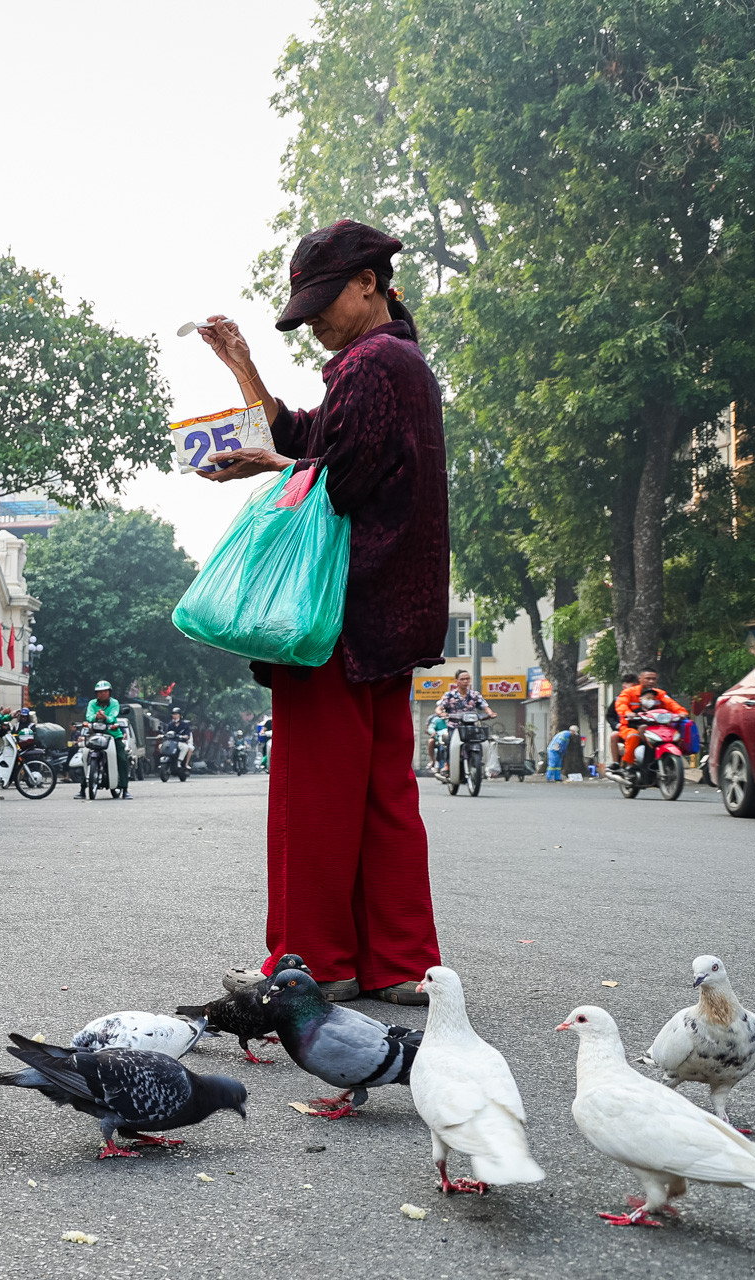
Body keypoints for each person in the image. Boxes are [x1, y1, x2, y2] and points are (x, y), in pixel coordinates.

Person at [195, 219, 446, 1007]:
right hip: (389, 613)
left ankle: (315, 963)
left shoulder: (370, 365)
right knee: (382, 795)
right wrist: (245, 370)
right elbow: (318, 438)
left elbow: (336, 479)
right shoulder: (398, 362)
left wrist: (271, 466)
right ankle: (402, 963)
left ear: (368, 282)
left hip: (333, 615)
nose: (316, 324)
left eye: (323, 304)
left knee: (313, 795)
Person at [610, 668, 686, 777]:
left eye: (653, 679)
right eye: (648, 678)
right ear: (640, 679)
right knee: (633, 737)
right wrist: (627, 712)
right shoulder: (628, 692)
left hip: (654, 727)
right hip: (631, 726)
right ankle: (629, 767)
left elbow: (671, 704)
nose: (651, 681)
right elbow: (621, 704)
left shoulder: (660, 694)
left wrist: (681, 712)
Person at [84, 681, 131, 799]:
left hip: (113, 735)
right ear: (96, 694)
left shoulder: (114, 703)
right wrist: (96, 716)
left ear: (109, 692)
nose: (102, 694)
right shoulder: (92, 703)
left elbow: (113, 716)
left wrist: (105, 717)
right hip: (95, 734)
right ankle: (82, 787)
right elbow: (88, 716)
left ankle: (124, 789)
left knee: (121, 757)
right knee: (84, 756)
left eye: (105, 691)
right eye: (100, 692)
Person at [164, 706, 195, 773]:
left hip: (180, 742)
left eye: (176, 714)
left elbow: (187, 735)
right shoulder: (170, 724)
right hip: (171, 742)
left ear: (180, 715)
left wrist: (184, 737)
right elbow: (166, 732)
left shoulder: (184, 724)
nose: (175, 716)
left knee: (185, 747)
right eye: (173, 714)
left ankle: (179, 762)